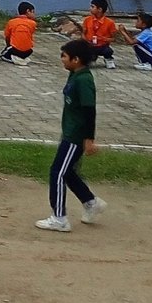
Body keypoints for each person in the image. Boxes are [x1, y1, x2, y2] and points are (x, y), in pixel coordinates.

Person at [38, 41, 104, 231]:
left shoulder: (84, 81)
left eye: (64, 56)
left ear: (76, 60)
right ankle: (91, 202)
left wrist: (89, 139)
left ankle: (59, 218)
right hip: (69, 131)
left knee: (57, 173)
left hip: (76, 136)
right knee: (67, 172)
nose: (62, 60)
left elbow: (89, 111)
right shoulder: (75, 74)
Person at [81, 0, 119, 70]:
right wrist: (85, 40)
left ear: (100, 9)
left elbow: (114, 38)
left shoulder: (110, 22)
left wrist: (103, 39)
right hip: (90, 45)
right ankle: (91, 59)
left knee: (108, 51)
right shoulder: (87, 20)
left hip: (102, 46)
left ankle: (108, 59)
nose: (90, 9)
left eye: (92, 7)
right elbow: (83, 33)